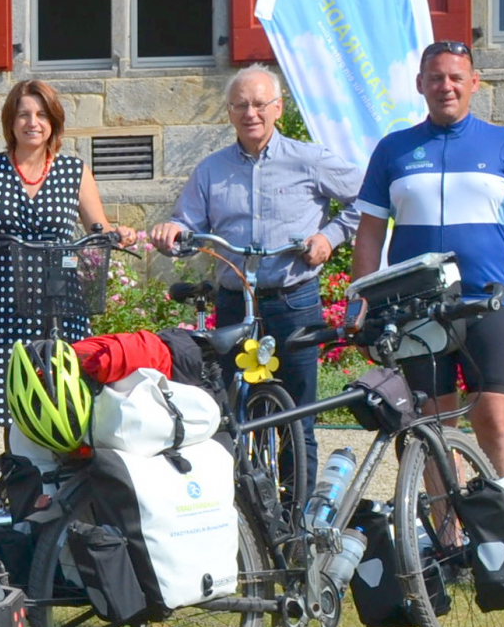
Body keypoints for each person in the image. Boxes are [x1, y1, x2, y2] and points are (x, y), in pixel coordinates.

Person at [151, 65, 365, 486]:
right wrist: (173, 231)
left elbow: (368, 196)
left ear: (277, 109)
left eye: (259, 104)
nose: (251, 113)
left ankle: (297, 521)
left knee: (298, 415)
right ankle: (243, 518)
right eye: (241, 105)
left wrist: (331, 235)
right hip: (236, 302)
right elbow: (187, 222)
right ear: (230, 113)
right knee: (232, 413)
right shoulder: (211, 170)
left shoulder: (310, 159)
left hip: (294, 299)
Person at [351, 40, 504, 476]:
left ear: (474, 83)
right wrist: (361, 303)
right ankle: (448, 538)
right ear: (420, 85)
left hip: (487, 302)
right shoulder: (393, 149)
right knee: (429, 428)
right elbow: (368, 234)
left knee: (495, 425)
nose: (447, 86)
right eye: (437, 78)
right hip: (415, 309)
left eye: (456, 77)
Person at [0, 79, 131, 451]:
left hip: (59, 300)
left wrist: (115, 233)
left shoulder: (73, 171)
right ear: (11, 123)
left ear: (54, 122)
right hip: (2, 300)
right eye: (24, 114)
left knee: (61, 393)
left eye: (42, 114)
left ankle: (57, 483)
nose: (33, 122)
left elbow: (98, 225)